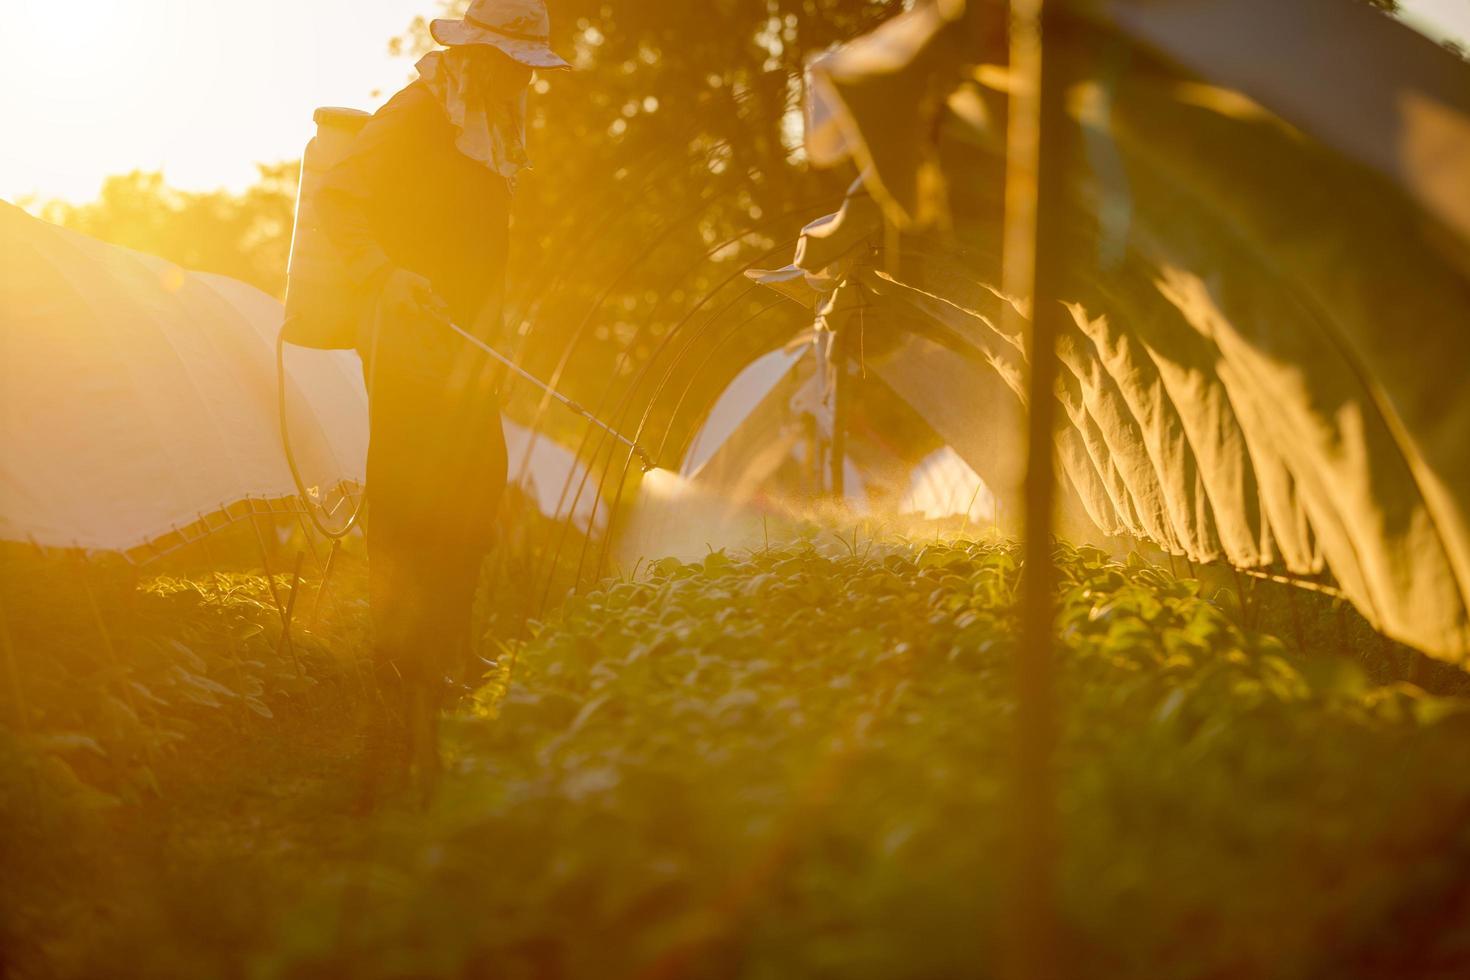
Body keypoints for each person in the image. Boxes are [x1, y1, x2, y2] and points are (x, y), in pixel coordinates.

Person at [316, 0, 570, 799]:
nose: (517, 76)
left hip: (468, 353)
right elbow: (339, 200)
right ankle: (394, 700)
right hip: (405, 341)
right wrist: (386, 276)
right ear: (475, 54)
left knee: (472, 498)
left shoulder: (494, 130)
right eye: (507, 60)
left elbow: (484, 251)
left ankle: (445, 666)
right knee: (407, 509)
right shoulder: (420, 111)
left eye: (526, 65)